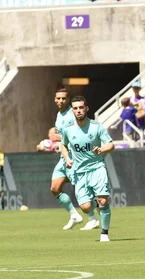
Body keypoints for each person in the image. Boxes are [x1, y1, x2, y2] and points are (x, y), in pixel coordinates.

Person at [59, 96, 114, 242]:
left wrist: (101, 150)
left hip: (97, 168)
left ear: (86, 108)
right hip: (79, 172)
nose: (78, 111)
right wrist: (67, 159)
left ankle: (104, 233)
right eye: (75, 108)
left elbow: (110, 145)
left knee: (103, 201)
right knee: (85, 207)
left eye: (81, 107)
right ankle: (97, 203)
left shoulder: (96, 126)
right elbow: (62, 145)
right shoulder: (68, 130)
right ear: (72, 111)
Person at [50, 89, 98, 231]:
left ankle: (92, 218)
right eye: (58, 98)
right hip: (63, 157)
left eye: (64, 98)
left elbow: (80, 133)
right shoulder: (59, 115)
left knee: (79, 189)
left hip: (74, 157)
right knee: (55, 188)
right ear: (54, 99)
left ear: (68, 99)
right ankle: (74, 215)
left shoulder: (73, 114)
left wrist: (59, 138)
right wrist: (59, 145)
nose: (60, 101)